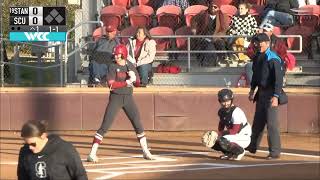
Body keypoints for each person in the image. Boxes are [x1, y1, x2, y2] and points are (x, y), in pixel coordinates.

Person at [87, 44, 154, 162]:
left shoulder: (130, 65)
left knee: (137, 123)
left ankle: (145, 151)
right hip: (116, 98)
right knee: (105, 125)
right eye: (115, 55)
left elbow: (138, 84)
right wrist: (127, 82)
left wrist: (135, 79)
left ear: (123, 54)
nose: (116, 57)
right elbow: (111, 85)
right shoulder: (112, 66)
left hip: (128, 98)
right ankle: (92, 153)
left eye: (118, 55)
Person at [246, 33, 285, 160]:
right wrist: (252, 90)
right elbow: (256, 76)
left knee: (272, 124)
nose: (257, 44)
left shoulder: (273, 58)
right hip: (261, 93)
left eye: (259, 42)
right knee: (258, 122)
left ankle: (274, 152)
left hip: (271, 93)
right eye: (256, 42)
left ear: (267, 43)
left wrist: (276, 96)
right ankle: (252, 146)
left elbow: (278, 80)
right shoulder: (257, 57)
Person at [17, 120, 87, 180]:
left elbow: (80, 175)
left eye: (33, 144)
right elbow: (22, 177)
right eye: (26, 144)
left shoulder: (64, 149)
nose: (30, 147)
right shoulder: (24, 152)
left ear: (43, 136)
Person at [207, 89, 252, 161]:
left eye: (227, 101)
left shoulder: (236, 112)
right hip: (234, 137)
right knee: (211, 141)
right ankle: (229, 153)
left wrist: (220, 134)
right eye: (223, 101)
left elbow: (235, 131)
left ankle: (240, 151)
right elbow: (221, 124)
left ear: (231, 100)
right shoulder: (221, 111)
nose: (225, 103)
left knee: (222, 140)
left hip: (243, 137)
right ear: (219, 101)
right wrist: (217, 134)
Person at [190, 0, 230, 66]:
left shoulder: (223, 16)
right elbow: (193, 20)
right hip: (204, 36)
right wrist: (194, 28)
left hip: (217, 36)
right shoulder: (203, 13)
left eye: (215, 7)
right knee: (209, 46)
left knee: (221, 44)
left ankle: (222, 60)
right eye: (211, 6)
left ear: (218, 8)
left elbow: (225, 29)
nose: (213, 8)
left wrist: (217, 36)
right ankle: (207, 65)